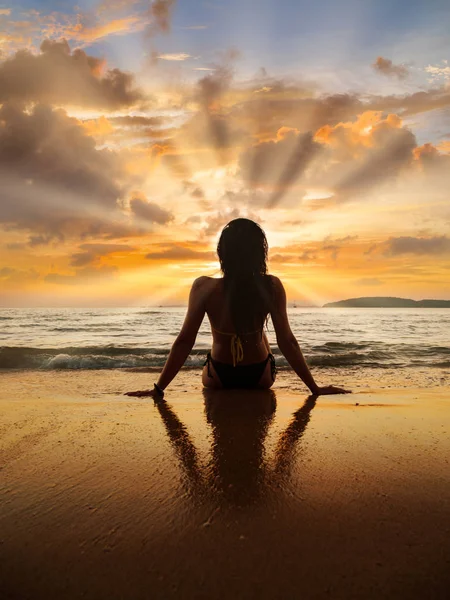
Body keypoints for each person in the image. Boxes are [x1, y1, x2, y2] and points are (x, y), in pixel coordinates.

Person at [125, 218, 350, 399]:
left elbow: (184, 341)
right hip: (259, 377)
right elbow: (287, 342)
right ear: (259, 254)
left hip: (219, 377)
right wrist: (314, 388)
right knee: (264, 337)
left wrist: (158, 389)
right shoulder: (271, 286)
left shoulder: (203, 287)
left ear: (222, 252)